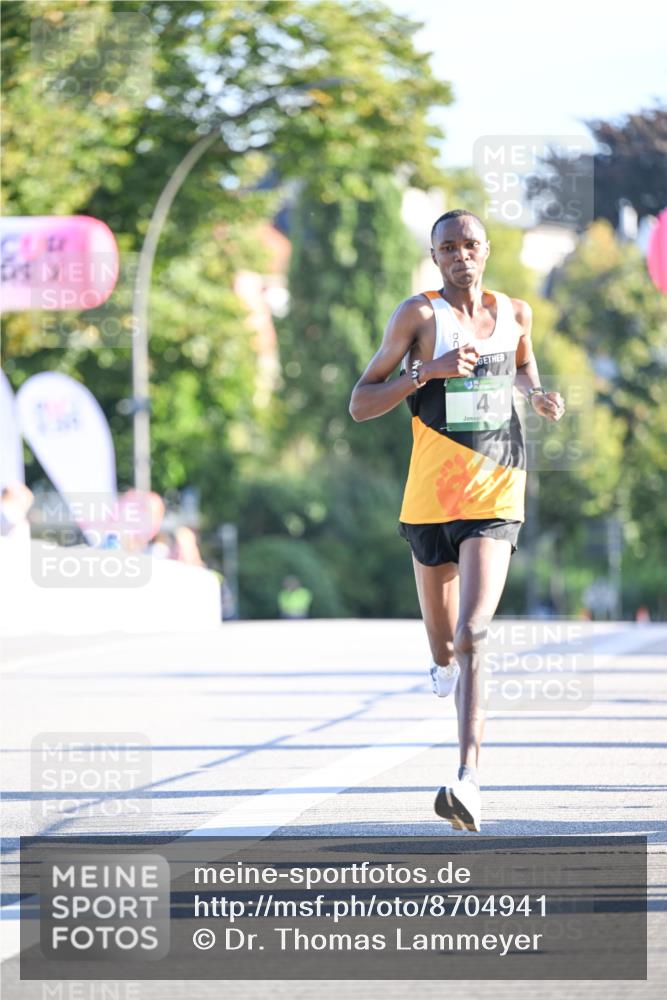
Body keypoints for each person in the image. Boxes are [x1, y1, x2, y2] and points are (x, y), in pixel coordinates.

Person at [349, 209, 565, 831]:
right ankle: (442, 666)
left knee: (475, 632)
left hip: (498, 487)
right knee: (446, 646)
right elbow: (362, 402)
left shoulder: (517, 312)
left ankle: (468, 780)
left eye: (470, 244)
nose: (461, 255)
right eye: (449, 247)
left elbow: (523, 365)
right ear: (435, 255)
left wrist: (537, 394)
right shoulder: (417, 316)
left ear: (487, 250)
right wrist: (427, 372)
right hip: (430, 499)